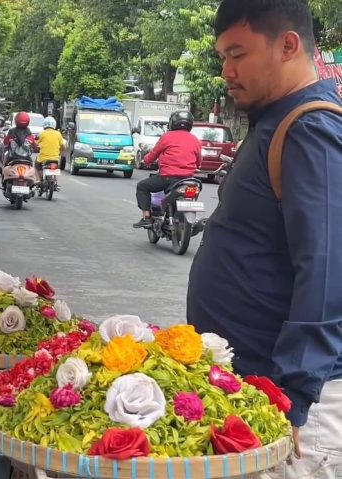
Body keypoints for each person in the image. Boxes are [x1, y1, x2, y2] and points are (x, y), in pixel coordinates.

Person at [187, 1, 342, 477]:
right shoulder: (275, 121)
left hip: (296, 413)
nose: (226, 71)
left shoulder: (310, 128)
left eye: (238, 54)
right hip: (258, 390)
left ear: (288, 46)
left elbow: (327, 274)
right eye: (221, 57)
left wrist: (294, 396)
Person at [132, 110, 202, 228]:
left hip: (167, 178)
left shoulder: (167, 137)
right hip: (188, 180)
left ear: (172, 123)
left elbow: (153, 154)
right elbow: (199, 161)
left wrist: (146, 161)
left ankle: (146, 217)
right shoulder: (195, 140)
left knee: (142, 186)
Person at [35, 116, 64, 184]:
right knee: (56, 168)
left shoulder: (42, 133)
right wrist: (61, 149)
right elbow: (62, 146)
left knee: (36, 166)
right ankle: (55, 182)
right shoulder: (58, 134)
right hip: (55, 158)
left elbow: (35, 143)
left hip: (43, 158)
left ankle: (39, 180)